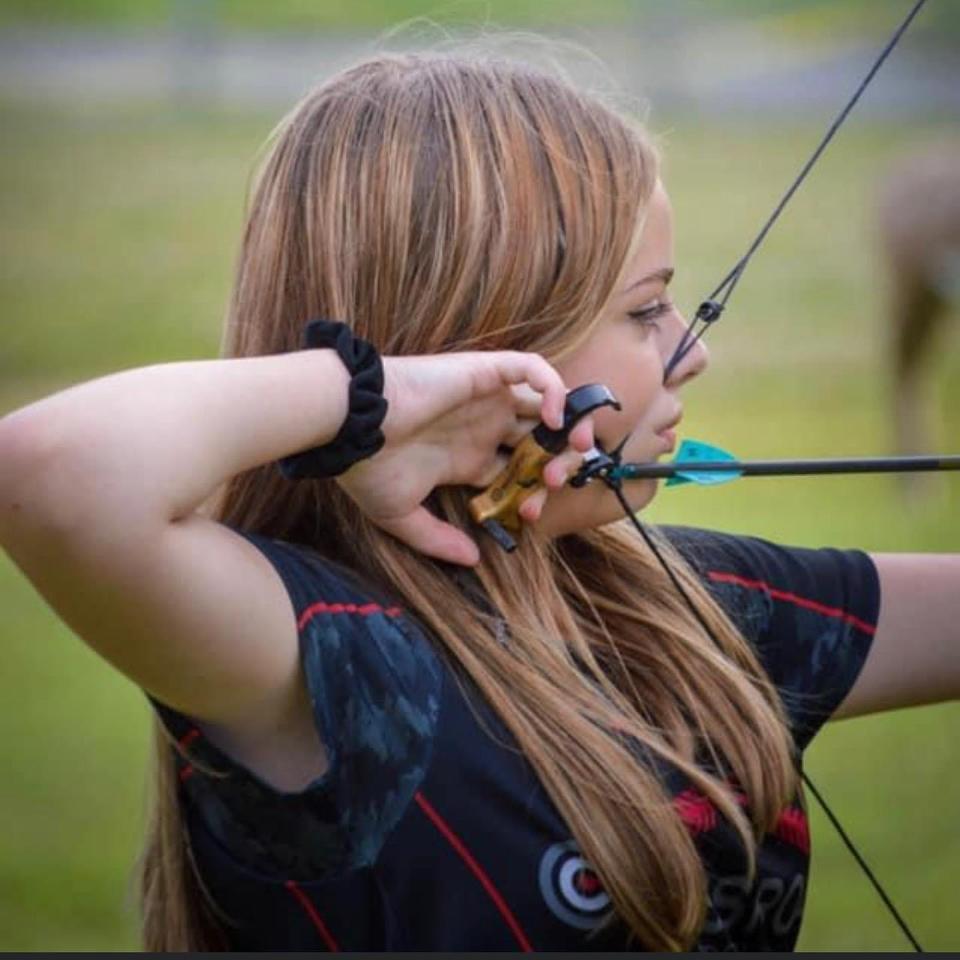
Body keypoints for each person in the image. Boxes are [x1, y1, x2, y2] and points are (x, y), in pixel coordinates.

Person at [0, 53, 956, 952]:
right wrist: (376, 400)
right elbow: (51, 473)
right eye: (645, 309)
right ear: (491, 346)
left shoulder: (688, 610)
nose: (691, 348)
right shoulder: (331, 663)